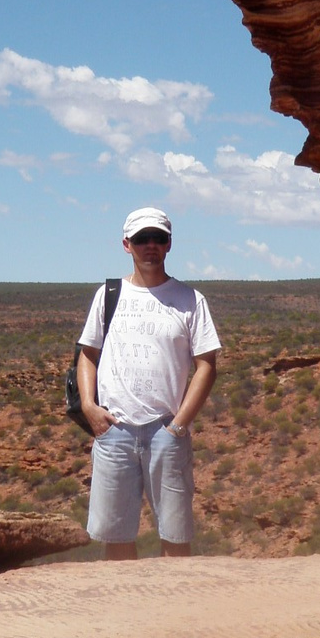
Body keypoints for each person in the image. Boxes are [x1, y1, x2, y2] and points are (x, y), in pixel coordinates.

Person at [77, 206, 221, 560]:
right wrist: (88, 408)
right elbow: (88, 354)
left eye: (159, 238)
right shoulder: (108, 295)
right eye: (143, 239)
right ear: (127, 244)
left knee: (175, 535)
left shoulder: (190, 300)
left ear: (170, 244)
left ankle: (175, 610)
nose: (151, 246)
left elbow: (206, 365)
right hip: (115, 430)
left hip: (165, 432)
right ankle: (125, 609)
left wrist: (179, 425)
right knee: (117, 537)